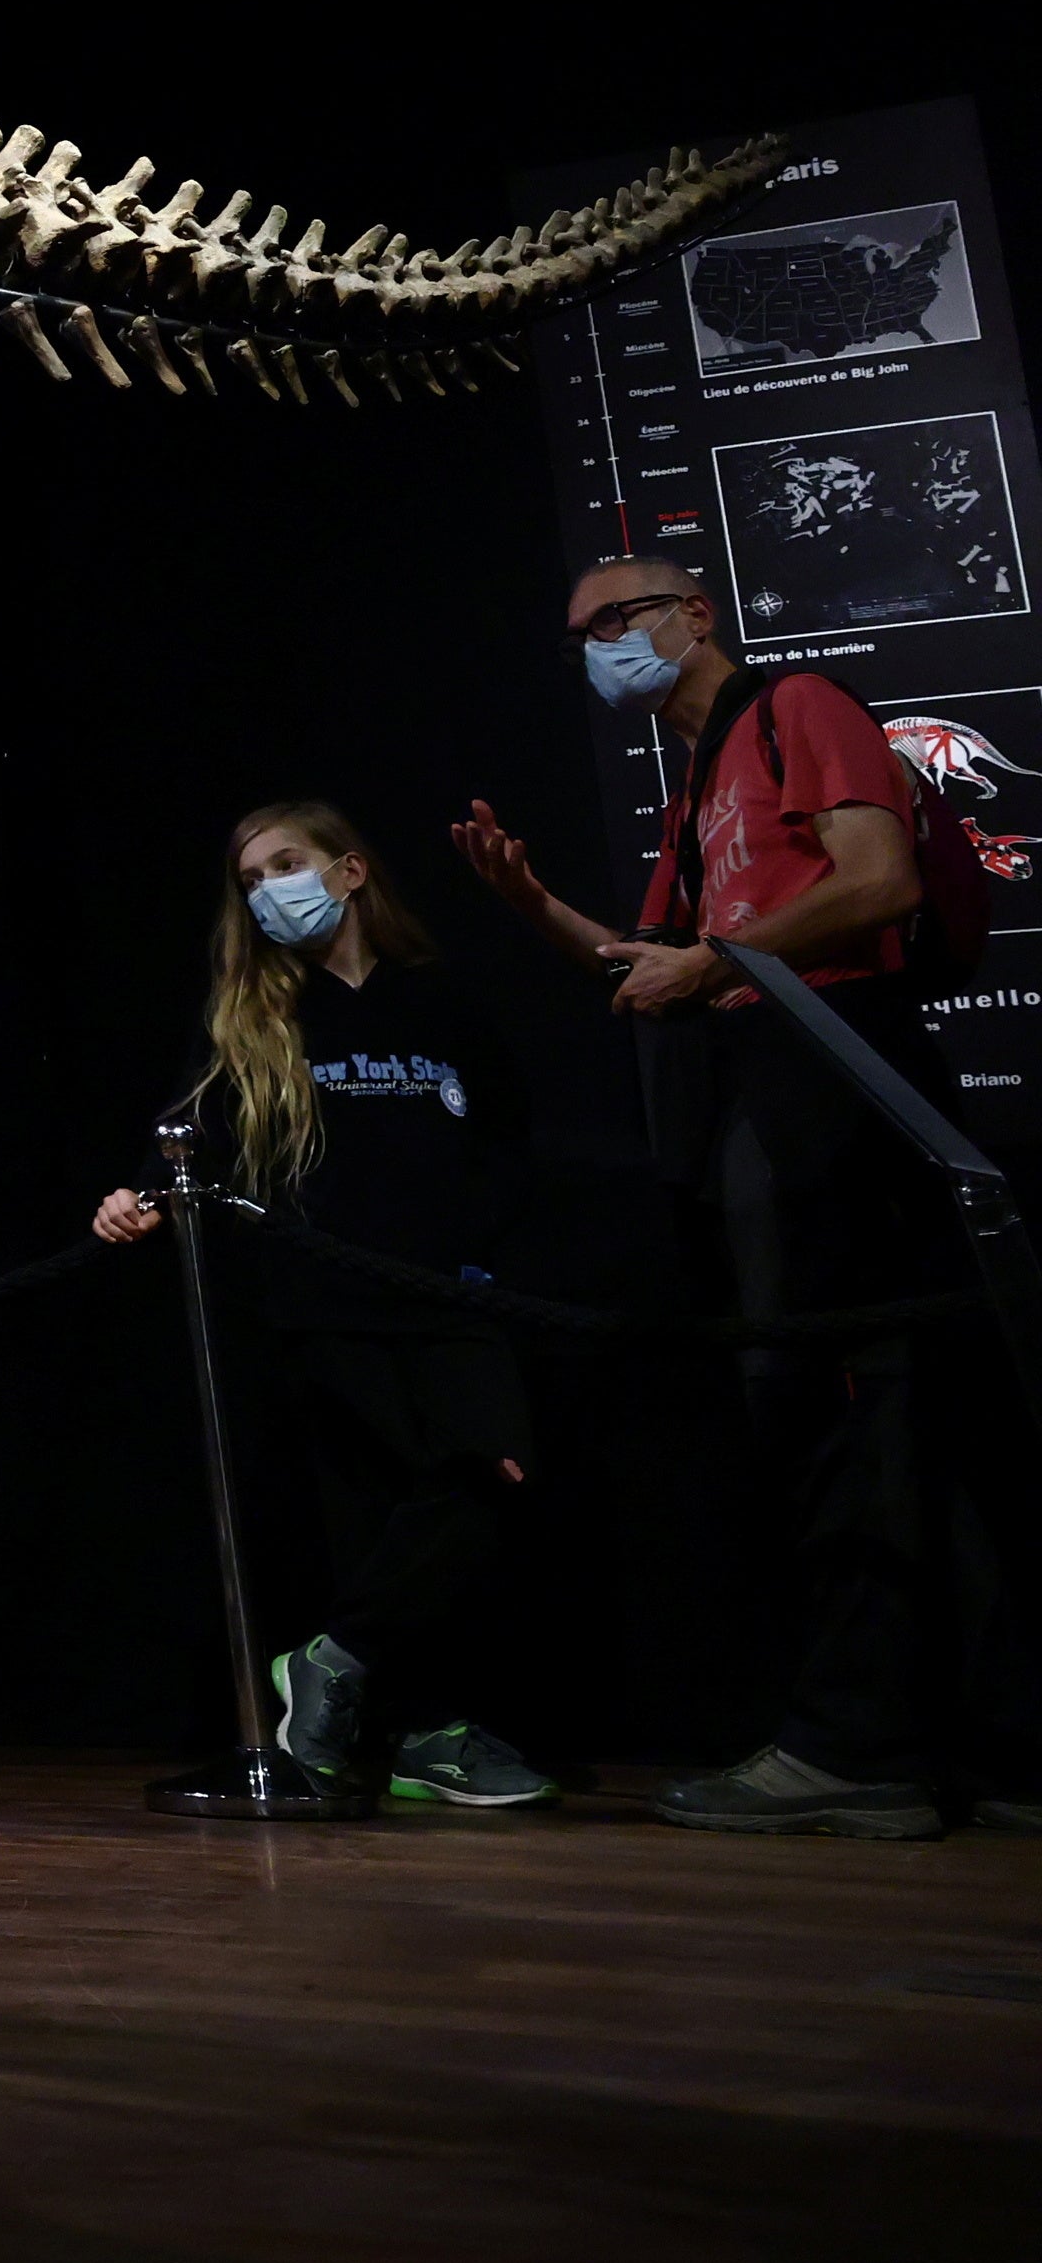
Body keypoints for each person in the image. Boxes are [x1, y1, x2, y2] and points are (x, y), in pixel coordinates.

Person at [455, 553, 1030, 1836]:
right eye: (581, 634)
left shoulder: (798, 706)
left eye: (618, 618)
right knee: (819, 1421)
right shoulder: (700, 784)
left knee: (863, 1415)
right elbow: (649, 965)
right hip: (757, 1107)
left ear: (692, 616)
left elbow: (872, 882)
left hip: (840, 1086)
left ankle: (868, 1750)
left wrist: (710, 961)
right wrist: (535, 903)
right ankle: (932, 1745)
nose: (600, 645)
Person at [89, 799, 553, 1807]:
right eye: (249, 879)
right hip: (322, 1306)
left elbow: (511, 1140)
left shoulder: (441, 1000)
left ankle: (327, 1666)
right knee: (380, 1523)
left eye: (285, 864)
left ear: (348, 872)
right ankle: (432, 1733)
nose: (268, 891)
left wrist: (481, 1243)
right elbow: (184, 1134)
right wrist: (136, 1196)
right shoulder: (255, 1016)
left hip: (448, 1298)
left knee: (489, 1479)